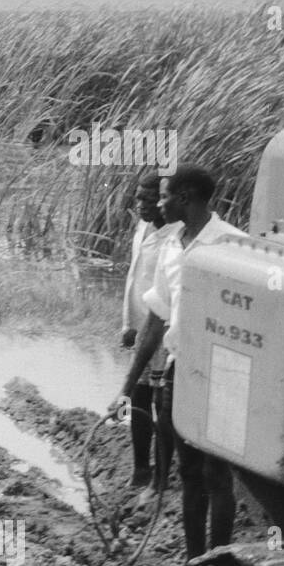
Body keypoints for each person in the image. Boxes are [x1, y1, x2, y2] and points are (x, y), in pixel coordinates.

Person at [109, 167, 241, 565]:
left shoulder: (233, 245)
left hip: (222, 376)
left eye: (164, 196)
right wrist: (127, 388)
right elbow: (156, 320)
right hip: (179, 371)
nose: (159, 202)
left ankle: (216, 564)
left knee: (217, 475)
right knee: (188, 476)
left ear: (185, 196)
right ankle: (193, 565)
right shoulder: (171, 245)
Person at [121, 174, 180, 490]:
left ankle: (161, 477)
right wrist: (127, 324)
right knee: (139, 398)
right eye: (138, 198)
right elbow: (133, 277)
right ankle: (141, 468)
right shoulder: (143, 228)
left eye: (148, 199)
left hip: (164, 333)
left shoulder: (175, 238)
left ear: (164, 201)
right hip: (142, 330)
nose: (141, 205)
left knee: (162, 403)